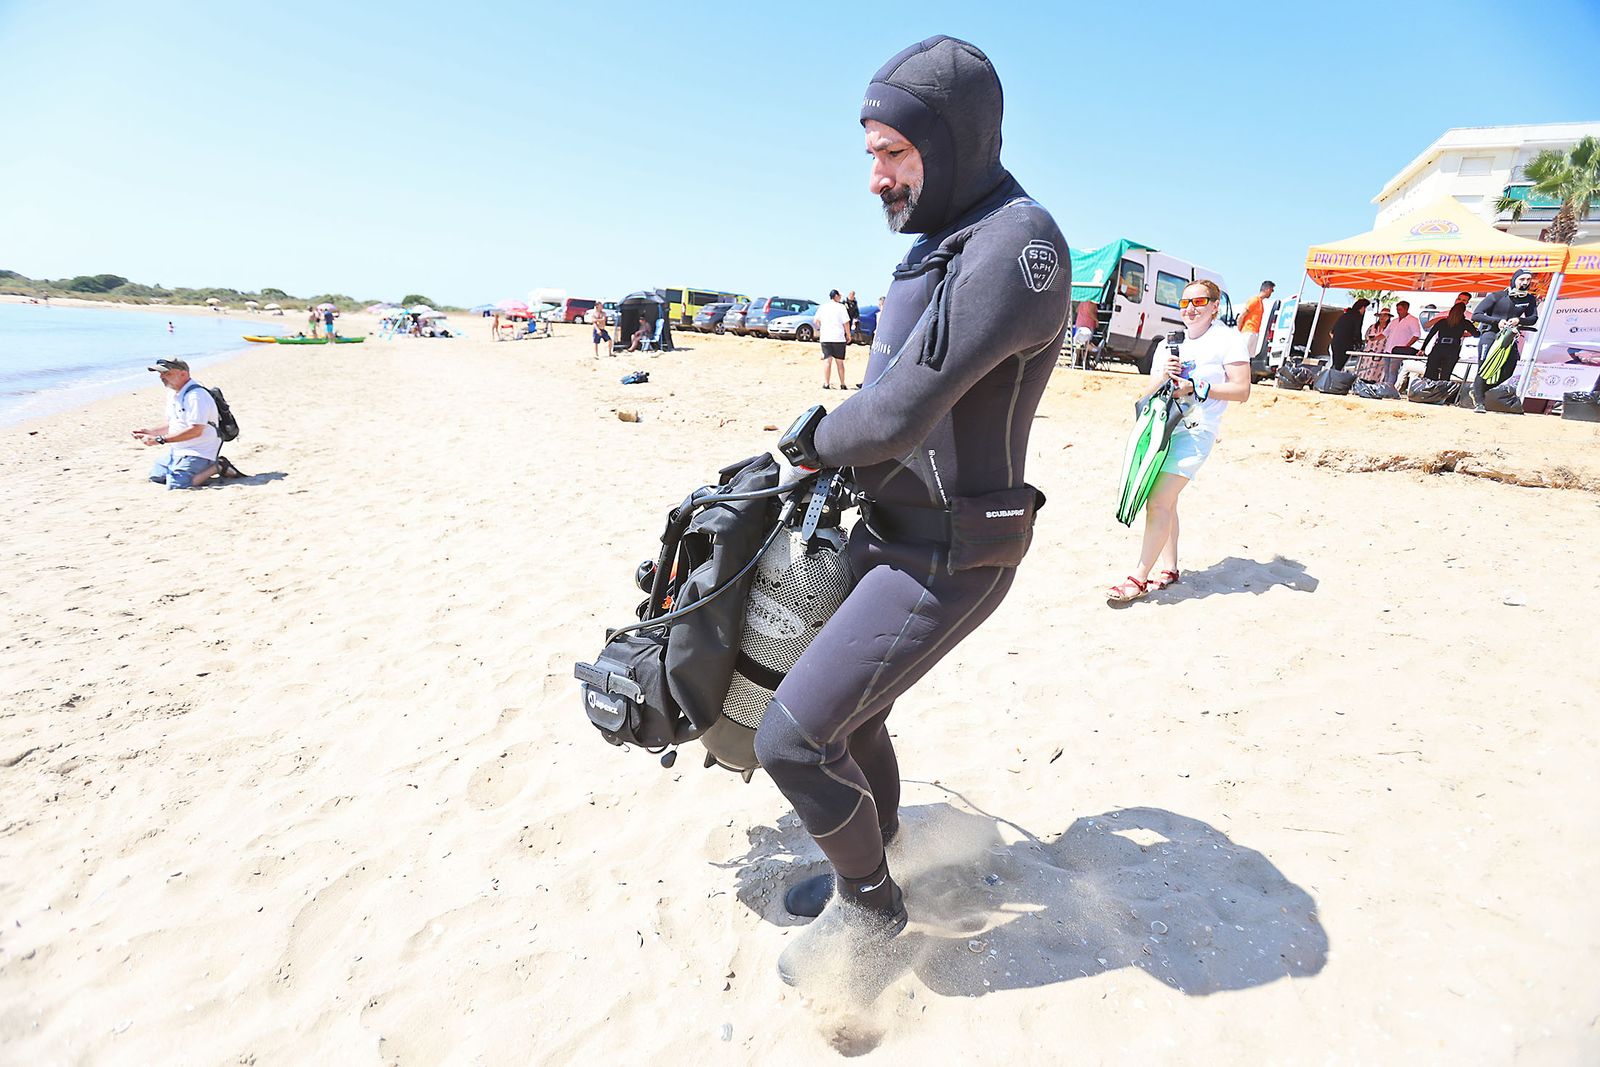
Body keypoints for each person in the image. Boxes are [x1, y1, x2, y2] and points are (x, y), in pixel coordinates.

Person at [753, 35, 1071, 983]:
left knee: (794, 737)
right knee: (851, 716)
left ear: (956, 139)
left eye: (894, 155)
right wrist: (822, 458)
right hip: (892, 534)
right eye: (872, 156)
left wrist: (809, 440)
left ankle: (870, 915)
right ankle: (872, 856)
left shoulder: (1021, 244)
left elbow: (893, 412)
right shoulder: (952, 237)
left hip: (951, 556)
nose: (877, 178)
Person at [1105, 279, 1251, 603]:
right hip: (1164, 427)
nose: (1190, 309)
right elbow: (1148, 390)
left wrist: (1197, 387)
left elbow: (1242, 390)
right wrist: (1165, 375)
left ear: (1215, 305)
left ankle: (1137, 578)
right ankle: (1169, 568)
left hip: (1197, 429)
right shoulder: (1170, 343)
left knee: (1157, 501)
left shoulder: (1228, 340)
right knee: (1166, 501)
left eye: (1199, 301)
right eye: (1184, 303)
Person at [132, 359, 220, 490]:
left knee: (178, 486)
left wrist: (159, 439)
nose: (161, 377)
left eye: (166, 373)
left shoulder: (196, 396)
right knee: (156, 477)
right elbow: (172, 423)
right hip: (178, 450)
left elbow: (196, 430)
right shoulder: (174, 394)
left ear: (183, 374)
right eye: (160, 374)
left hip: (199, 452)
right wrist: (151, 432)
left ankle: (217, 467)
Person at [1469, 269, 1541, 412]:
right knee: (1484, 367)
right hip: (1490, 334)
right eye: (1522, 279)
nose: (1525, 282)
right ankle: (1479, 402)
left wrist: (1519, 320)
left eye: (1528, 280)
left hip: (1509, 335)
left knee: (1508, 370)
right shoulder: (1497, 296)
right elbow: (1476, 315)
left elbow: (1533, 319)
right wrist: (1497, 321)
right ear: (1514, 279)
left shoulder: (1529, 299)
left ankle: (1477, 389)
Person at [1417, 303, 1479, 382]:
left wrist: (1422, 348)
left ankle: (1428, 391)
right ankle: (1442, 392)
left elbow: (1430, 335)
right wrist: (1468, 332)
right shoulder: (1465, 323)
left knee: (1430, 373)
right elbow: (1476, 335)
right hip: (1452, 350)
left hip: (1438, 348)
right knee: (1445, 375)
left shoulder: (1442, 321)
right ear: (1463, 312)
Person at [815, 289, 852, 389]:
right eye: (839, 296)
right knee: (840, 362)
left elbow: (816, 320)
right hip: (838, 337)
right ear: (836, 296)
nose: (840, 297)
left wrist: (821, 328)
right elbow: (846, 322)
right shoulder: (841, 307)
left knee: (827, 361)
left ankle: (826, 383)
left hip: (826, 337)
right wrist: (848, 334)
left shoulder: (823, 307)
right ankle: (842, 384)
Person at [1381, 300, 1422, 387]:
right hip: (1388, 350)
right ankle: (1385, 387)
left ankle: (1389, 388)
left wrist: (1406, 347)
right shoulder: (1394, 321)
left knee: (1393, 371)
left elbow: (1416, 335)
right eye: (1397, 309)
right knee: (1386, 371)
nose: (1398, 312)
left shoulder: (1413, 320)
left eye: (1400, 309)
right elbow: (1385, 333)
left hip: (1399, 351)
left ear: (1406, 309)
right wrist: (1373, 339)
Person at [1237, 280, 1275, 358]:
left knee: (1249, 357)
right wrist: (1239, 331)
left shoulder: (1260, 303)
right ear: (1268, 289)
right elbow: (1241, 316)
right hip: (1248, 331)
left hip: (1254, 332)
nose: (1271, 293)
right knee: (1242, 356)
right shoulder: (1254, 300)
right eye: (1272, 290)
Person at [1328, 298, 1369, 371]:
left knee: (1334, 365)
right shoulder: (1357, 316)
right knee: (1339, 367)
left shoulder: (1345, 315)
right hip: (1345, 345)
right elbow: (1357, 331)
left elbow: (1331, 332)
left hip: (1335, 343)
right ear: (1362, 307)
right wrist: (1359, 344)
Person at [1354, 307, 1392, 382]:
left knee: (1376, 372)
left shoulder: (1389, 329)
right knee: (1364, 370)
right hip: (1369, 353)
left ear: (1388, 317)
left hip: (1380, 353)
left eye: (1385, 316)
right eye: (1381, 315)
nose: (1382, 317)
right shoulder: (1372, 327)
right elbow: (1366, 337)